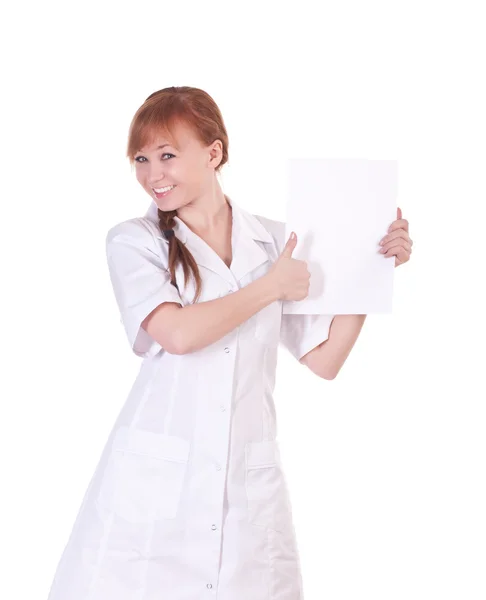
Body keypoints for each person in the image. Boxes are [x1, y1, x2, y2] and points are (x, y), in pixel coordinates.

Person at [46, 86, 413, 600]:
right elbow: (176, 333)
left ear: (214, 152)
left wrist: (372, 272)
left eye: (168, 155)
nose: (154, 174)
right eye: (142, 159)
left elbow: (325, 360)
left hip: (247, 487)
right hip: (156, 483)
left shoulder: (277, 240)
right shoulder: (134, 241)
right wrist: (270, 287)